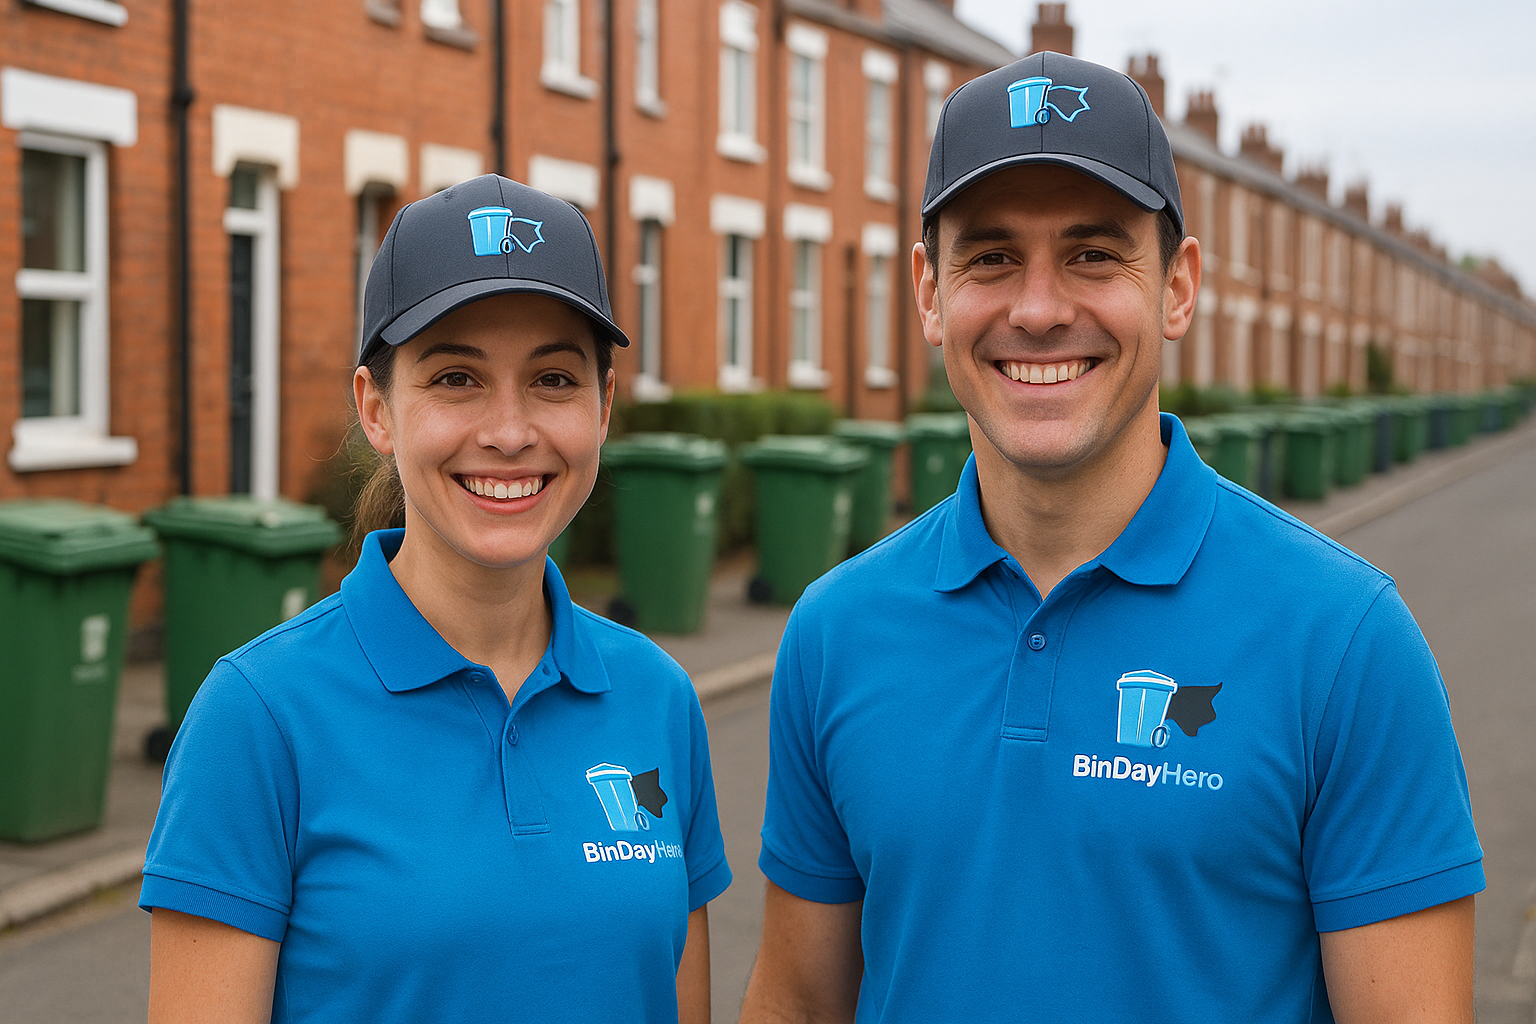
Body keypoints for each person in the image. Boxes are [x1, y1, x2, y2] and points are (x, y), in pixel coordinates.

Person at [740, 51, 1481, 1023]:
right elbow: (797, 1000)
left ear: (1179, 285)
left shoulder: (1345, 642)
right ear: (927, 291)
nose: (1039, 309)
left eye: (1093, 254)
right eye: (992, 256)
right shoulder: (835, 632)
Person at [140, 174, 731, 1023]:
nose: (509, 430)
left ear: (604, 406)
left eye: (554, 379)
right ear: (377, 408)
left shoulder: (658, 697)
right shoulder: (259, 717)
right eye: (456, 378)